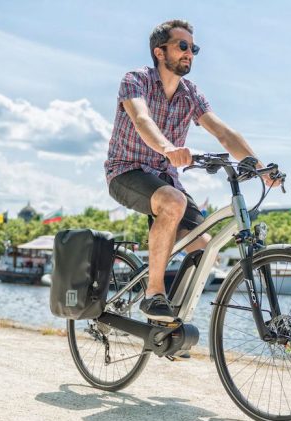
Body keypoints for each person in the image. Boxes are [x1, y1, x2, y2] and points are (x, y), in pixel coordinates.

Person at [105, 19, 278, 322]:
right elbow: (142, 119)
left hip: (164, 179)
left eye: (193, 48)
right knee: (173, 201)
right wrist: (168, 149)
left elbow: (222, 132)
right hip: (126, 172)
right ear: (160, 52)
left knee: (204, 248)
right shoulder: (135, 80)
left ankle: (168, 323)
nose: (189, 53)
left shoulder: (190, 94)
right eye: (182, 46)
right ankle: (154, 294)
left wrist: (261, 168)